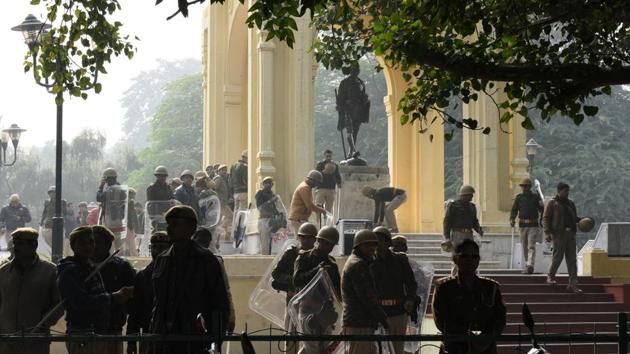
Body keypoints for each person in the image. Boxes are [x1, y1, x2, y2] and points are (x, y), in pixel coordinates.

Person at [150, 205, 230, 354]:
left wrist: (215, 341)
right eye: (168, 224)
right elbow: (158, 302)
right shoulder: (162, 259)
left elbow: (220, 304)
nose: (169, 229)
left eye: (175, 224)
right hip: (164, 338)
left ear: (191, 228)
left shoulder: (206, 260)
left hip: (195, 338)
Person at [58, 226, 134, 354]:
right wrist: (113, 297)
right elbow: (81, 302)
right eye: (82, 242)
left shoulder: (92, 267)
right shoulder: (69, 270)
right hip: (83, 336)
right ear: (73, 246)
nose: (89, 246)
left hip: (106, 332)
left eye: (91, 242)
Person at [432, 239, 506, 354]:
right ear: (455, 259)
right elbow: (441, 320)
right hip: (456, 347)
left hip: (485, 348)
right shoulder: (445, 288)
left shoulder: (491, 288)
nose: (470, 260)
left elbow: (500, 319)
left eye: (475, 256)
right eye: (465, 256)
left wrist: (486, 338)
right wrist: (469, 337)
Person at [0, 228, 63, 354]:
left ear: (34, 245)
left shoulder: (50, 271)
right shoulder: (4, 271)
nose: (15, 247)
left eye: (20, 243)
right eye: (15, 242)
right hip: (6, 340)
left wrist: (43, 325)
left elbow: (59, 304)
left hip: (36, 340)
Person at [293, 226, 341, 354]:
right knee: (311, 347)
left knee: (325, 348)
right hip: (308, 309)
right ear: (318, 241)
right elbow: (297, 280)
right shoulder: (304, 257)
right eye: (326, 243)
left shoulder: (332, 263)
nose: (329, 247)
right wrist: (317, 270)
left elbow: (337, 289)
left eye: (331, 245)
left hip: (326, 311)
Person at [370, 226, 418, 354]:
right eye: (376, 240)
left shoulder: (400, 260)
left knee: (397, 350)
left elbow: (411, 283)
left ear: (388, 242)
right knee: (378, 350)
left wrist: (410, 299)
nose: (379, 243)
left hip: (398, 311)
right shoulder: (368, 262)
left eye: (382, 240)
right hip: (378, 313)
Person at [341, 229, 388, 354]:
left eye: (374, 244)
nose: (372, 248)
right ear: (358, 246)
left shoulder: (361, 262)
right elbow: (367, 298)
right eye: (367, 245)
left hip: (360, 322)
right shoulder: (358, 265)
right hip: (359, 323)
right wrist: (383, 318)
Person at [91, 225, 136, 354]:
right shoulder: (79, 267)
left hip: (113, 330)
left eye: (97, 242)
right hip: (85, 331)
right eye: (90, 241)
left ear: (108, 244)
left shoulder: (122, 267)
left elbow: (132, 301)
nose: (93, 246)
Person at [127, 231, 172, 354]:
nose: (156, 251)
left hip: (172, 335)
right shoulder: (143, 276)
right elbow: (134, 311)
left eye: (162, 247)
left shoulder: (177, 274)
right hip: (148, 334)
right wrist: (131, 341)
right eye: (154, 247)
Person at [192, 228, 236, 333]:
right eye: (200, 241)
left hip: (212, 313)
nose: (203, 245)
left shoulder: (216, 262)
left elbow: (226, 290)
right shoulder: (185, 261)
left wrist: (231, 317)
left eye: (206, 242)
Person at [543, 182, 582, 293]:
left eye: (568, 191)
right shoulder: (552, 203)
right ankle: (550, 277)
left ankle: (573, 284)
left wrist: (583, 221)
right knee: (557, 257)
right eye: (565, 191)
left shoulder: (571, 204)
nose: (567, 193)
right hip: (558, 234)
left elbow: (575, 217)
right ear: (559, 191)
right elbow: (546, 219)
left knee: (572, 260)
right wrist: (547, 233)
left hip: (570, 235)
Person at [443, 184, 483, 275]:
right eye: (470, 195)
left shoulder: (472, 207)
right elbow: (447, 221)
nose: (471, 197)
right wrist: (447, 237)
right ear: (464, 195)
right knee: (457, 256)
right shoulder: (453, 206)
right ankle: (455, 275)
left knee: (470, 253)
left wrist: (479, 229)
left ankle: (469, 274)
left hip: (469, 234)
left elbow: (474, 221)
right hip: (457, 234)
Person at [510, 177, 544, 274]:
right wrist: (512, 219)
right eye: (523, 186)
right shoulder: (519, 198)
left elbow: (542, 209)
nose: (525, 188)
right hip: (522, 225)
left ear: (530, 187)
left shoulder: (535, 197)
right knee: (524, 246)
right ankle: (527, 264)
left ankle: (530, 265)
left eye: (527, 186)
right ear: (522, 187)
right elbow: (514, 210)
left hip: (533, 225)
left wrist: (542, 218)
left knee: (531, 246)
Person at [337, 66, 370, 159]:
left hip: (358, 110)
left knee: (355, 131)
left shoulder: (361, 83)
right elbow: (340, 97)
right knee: (349, 129)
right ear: (350, 71)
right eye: (354, 69)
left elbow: (364, 96)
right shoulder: (344, 82)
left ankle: (352, 151)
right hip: (348, 109)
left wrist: (365, 99)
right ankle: (352, 150)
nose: (356, 71)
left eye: (357, 69)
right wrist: (340, 105)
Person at [289, 170, 326, 237]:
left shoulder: (307, 187)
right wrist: (322, 210)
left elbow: (308, 203)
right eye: (316, 183)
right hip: (298, 219)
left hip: (301, 219)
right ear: (312, 180)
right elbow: (310, 206)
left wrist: (317, 206)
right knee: (301, 240)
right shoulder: (305, 188)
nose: (316, 185)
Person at [255, 177, 281, 255]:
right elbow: (260, 207)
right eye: (266, 183)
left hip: (272, 220)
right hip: (263, 220)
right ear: (263, 184)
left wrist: (279, 214)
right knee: (264, 243)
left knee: (272, 243)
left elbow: (274, 208)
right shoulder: (260, 193)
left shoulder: (272, 194)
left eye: (270, 183)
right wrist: (271, 201)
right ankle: (264, 259)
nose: (268, 185)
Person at [146, 166, 174, 233]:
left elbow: (172, 199)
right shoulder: (152, 188)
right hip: (157, 215)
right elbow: (150, 204)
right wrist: (153, 217)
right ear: (157, 176)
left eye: (164, 176)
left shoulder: (168, 187)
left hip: (167, 214)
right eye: (160, 176)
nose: (162, 177)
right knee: (157, 233)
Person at [40, 186, 67, 250]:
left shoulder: (62, 201)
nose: (52, 194)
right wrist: (41, 221)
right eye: (50, 192)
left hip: (58, 225)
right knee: (48, 242)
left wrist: (64, 221)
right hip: (48, 225)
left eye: (54, 192)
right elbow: (44, 212)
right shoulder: (47, 202)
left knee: (58, 243)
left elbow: (64, 213)